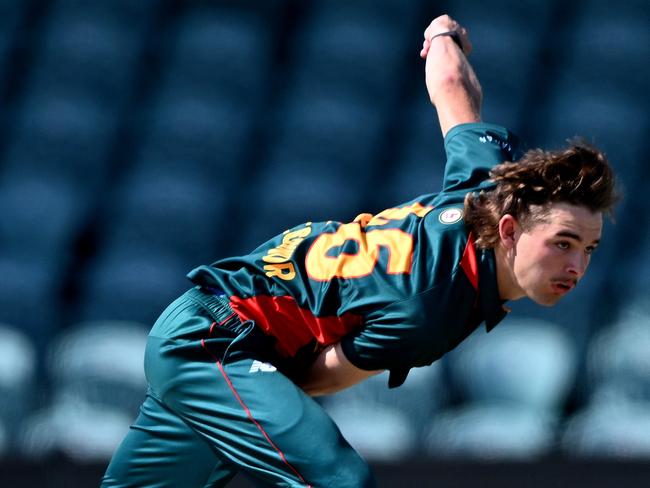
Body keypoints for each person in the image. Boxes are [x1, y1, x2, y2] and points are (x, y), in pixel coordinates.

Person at [102, 14, 617, 488]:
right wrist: (250, 398)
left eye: (589, 248)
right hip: (219, 340)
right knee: (342, 481)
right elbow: (322, 375)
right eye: (562, 243)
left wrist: (439, 34)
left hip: (209, 337)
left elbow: (453, 88)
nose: (576, 266)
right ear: (507, 231)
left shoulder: (482, 185)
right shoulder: (429, 306)